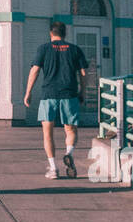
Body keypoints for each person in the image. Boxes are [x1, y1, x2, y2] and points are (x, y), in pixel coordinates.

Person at [23, 22, 88, 179]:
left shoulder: (43, 49)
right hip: (69, 94)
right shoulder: (74, 49)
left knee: (47, 133)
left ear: (50, 33)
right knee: (70, 129)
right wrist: (82, 92)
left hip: (48, 94)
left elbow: (35, 70)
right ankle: (69, 153)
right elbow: (84, 73)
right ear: (65, 33)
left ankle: (53, 169)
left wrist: (28, 92)